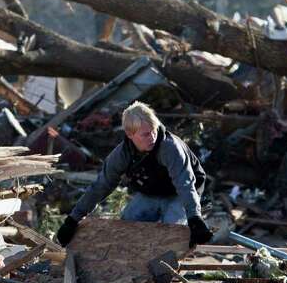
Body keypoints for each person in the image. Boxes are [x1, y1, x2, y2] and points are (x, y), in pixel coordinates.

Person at [56, 101, 212, 248]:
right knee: (127, 226)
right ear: (130, 135)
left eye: (153, 131)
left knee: (172, 233)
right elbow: (100, 186)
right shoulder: (122, 154)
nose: (152, 137)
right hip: (152, 192)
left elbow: (185, 184)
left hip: (181, 194)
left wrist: (194, 218)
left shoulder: (170, 148)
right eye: (145, 134)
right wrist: (72, 220)